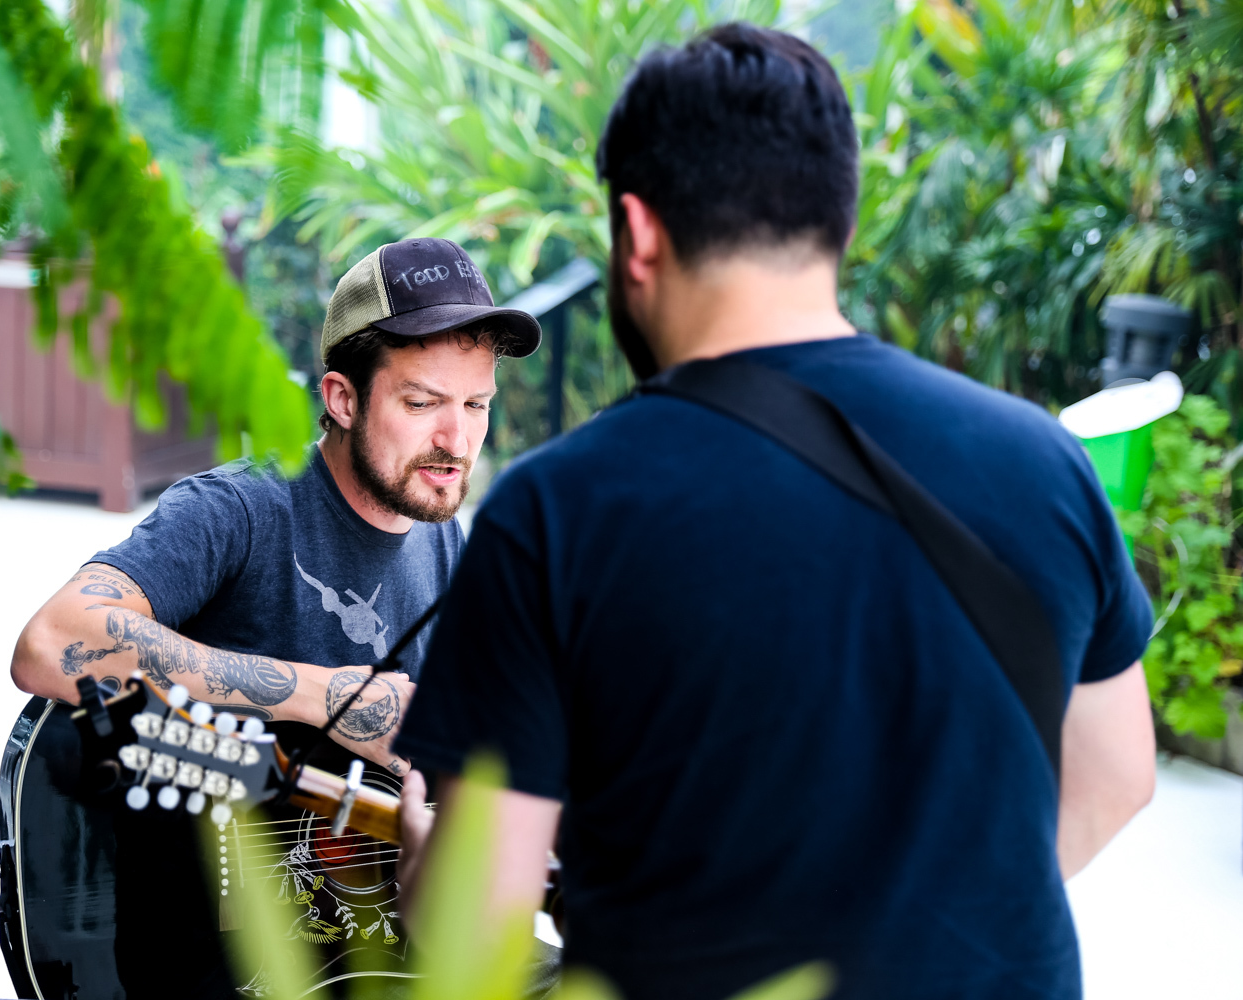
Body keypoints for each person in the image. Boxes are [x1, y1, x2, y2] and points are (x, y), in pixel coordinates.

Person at [393, 24, 1156, 1000]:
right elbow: (1119, 775)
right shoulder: (1043, 461)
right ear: (838, 222)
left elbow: (481, 927)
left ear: (639, 233)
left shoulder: (556, 511)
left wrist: (428, 860)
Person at [10, 235, 539, 993]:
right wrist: (327, 697)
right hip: (186, 955)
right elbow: (52, 642)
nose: (456, 440)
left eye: (476, 404)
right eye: (421, 403)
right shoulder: (241, 510)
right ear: (342, 398)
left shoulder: (446, 542)